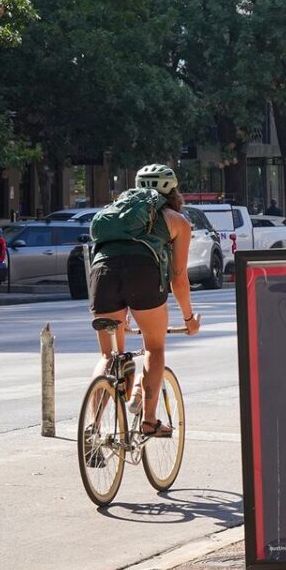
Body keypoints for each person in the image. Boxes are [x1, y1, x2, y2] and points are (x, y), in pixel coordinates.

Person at [88, 164, 200, 436]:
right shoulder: (176, 220)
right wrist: (189, 319)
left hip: (102, 274)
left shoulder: (116, 212)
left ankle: (92, 427)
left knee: (108, 355)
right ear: (172, 189)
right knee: (154, 348)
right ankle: (149, 422)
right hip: (143, 275)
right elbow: (179, 279)